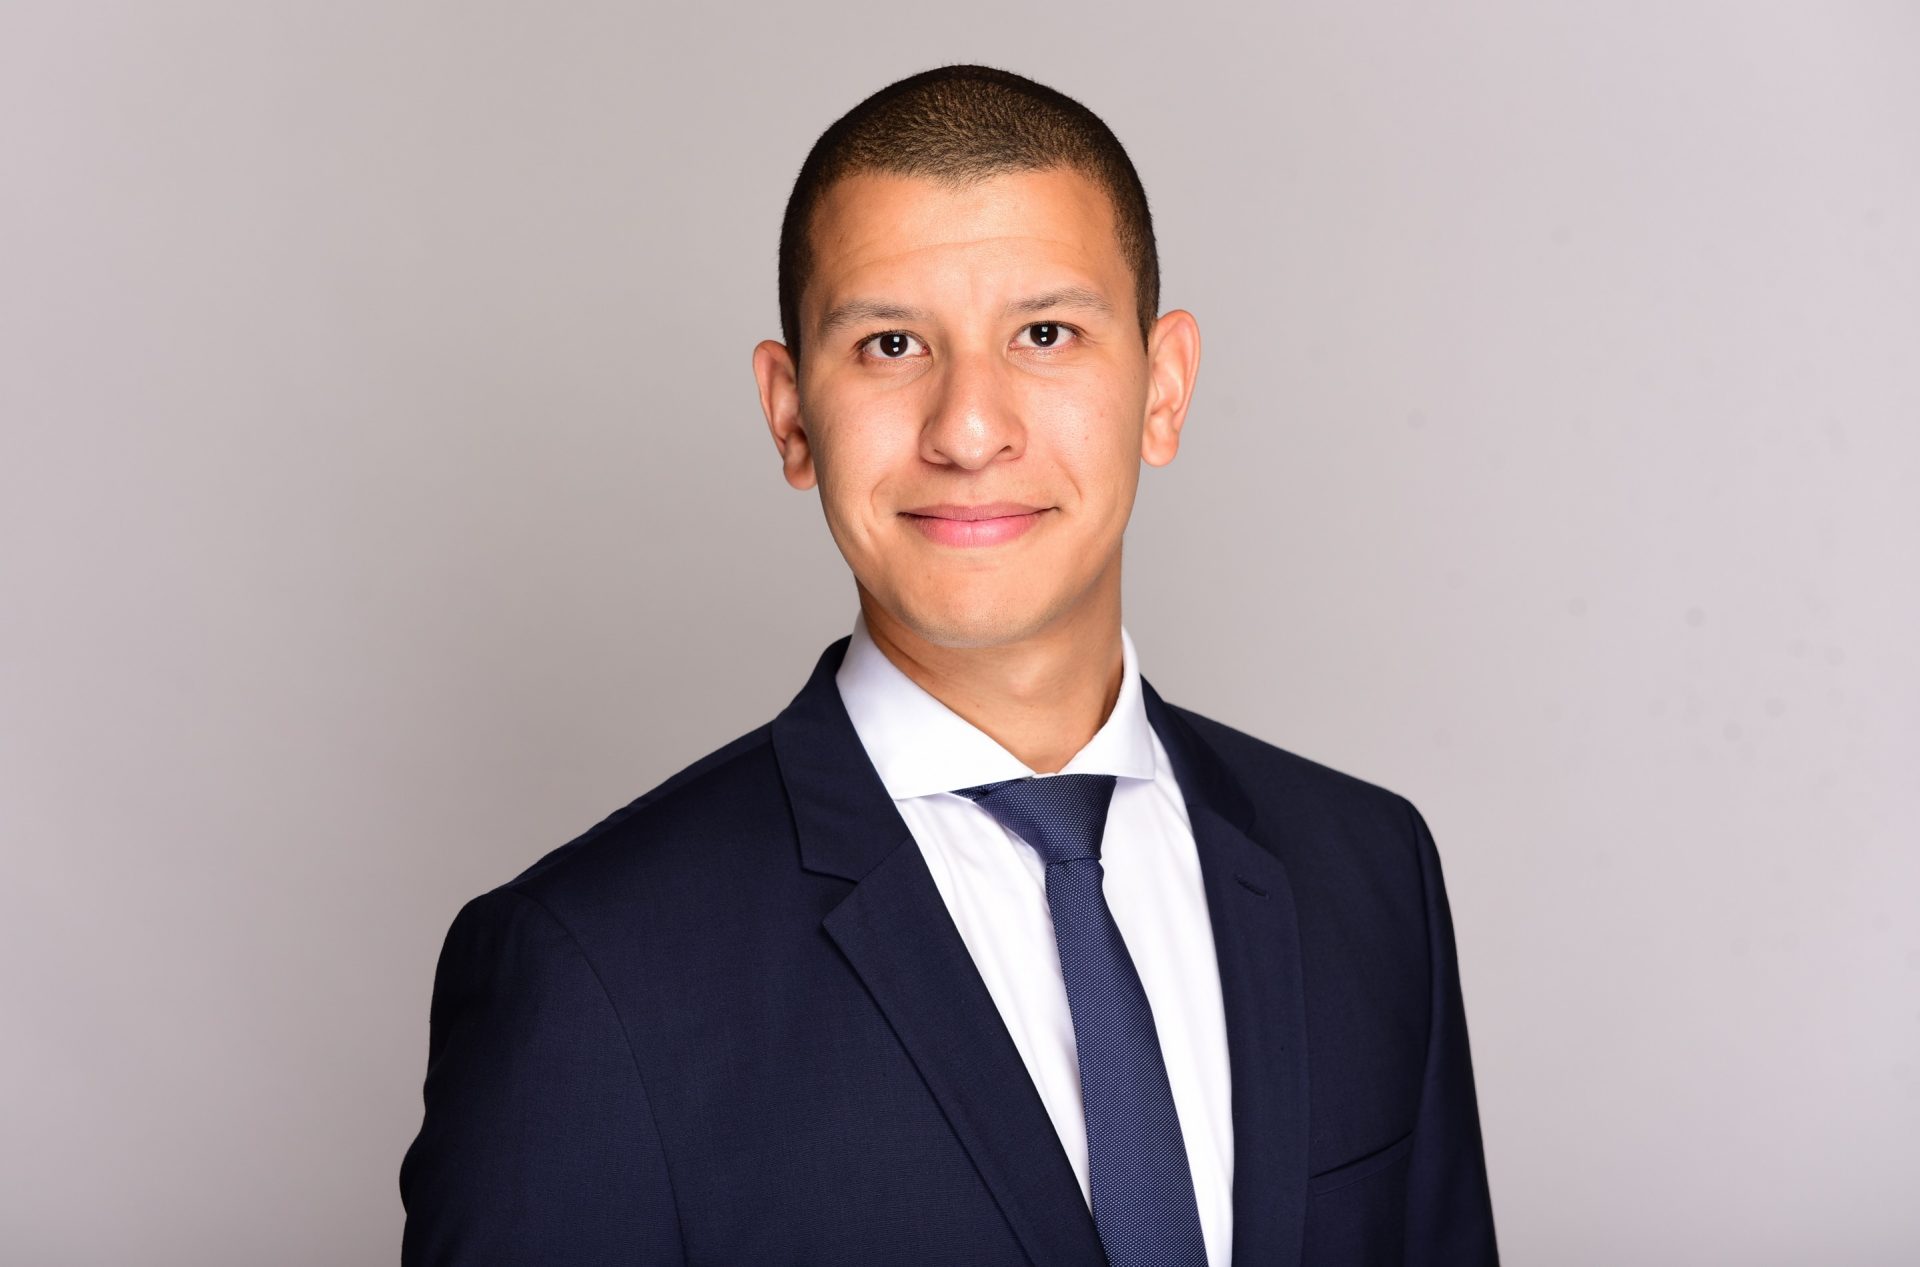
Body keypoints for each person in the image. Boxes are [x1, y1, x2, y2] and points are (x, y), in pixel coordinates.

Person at [399, 64, 1498, 1266]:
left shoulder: (1367, 874)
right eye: (889, 343)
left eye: (1045, 333)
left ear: (1163, 390)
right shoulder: (588, 974)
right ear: (791, 413)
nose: (970, 428)